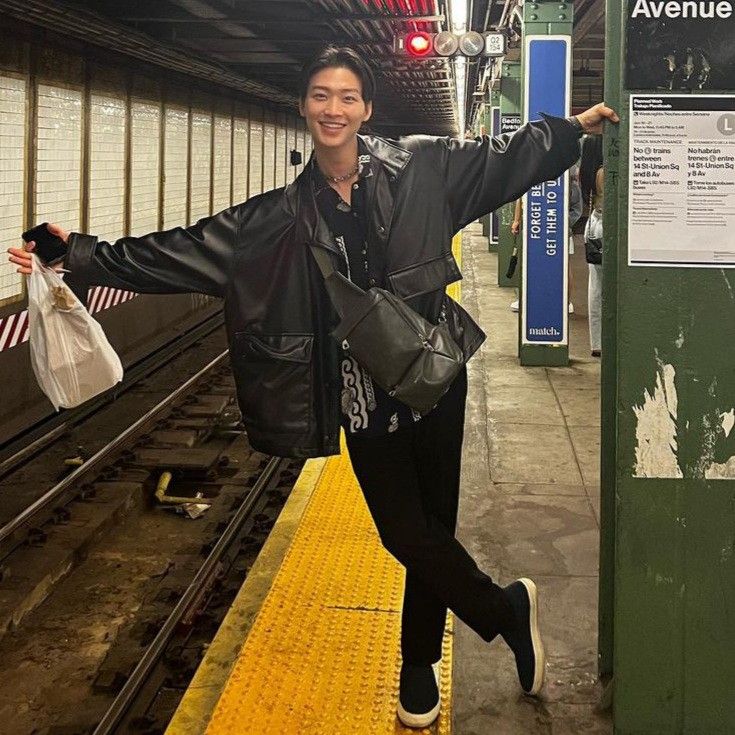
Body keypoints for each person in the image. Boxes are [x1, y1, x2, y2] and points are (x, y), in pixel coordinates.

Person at [8, 47, 618, 729]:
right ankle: (505, 609)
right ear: (302, 106)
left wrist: (570, 131)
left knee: (433, 529)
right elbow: (181, 249)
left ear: (367, 109)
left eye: (347, 96)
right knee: (404, 533)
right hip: (360, 392)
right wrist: (78, 254)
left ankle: (416, 664)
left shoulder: (422, 165)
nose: (334, 108)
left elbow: (503, 160)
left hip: (433, 373)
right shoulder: (275, 218)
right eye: (321, 95)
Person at [509, 159, 582, 314]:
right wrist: (517, 219)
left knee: (564, 264)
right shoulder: (532, 164)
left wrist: (562, 223)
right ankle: (528, 298)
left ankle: (566, 301)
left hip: (558, 228)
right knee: (532, 262)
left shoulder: (568, 169)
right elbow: (521, 195)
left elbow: (576, 206)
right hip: (535, 227)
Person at [580, 134, 604, 357]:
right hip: (605, 227)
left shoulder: (586, 172)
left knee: (595, 286)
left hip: (593, 225)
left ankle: (596, 341)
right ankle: (601, 340)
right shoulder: (604, 172)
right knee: (604, 287)